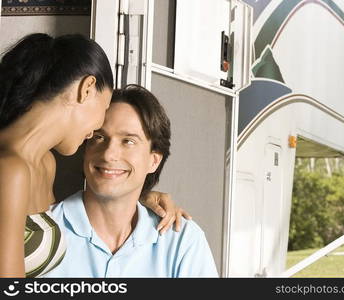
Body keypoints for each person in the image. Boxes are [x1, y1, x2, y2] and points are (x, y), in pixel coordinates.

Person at [0, 33, 188, 278]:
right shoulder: (10, 169)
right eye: (104, 106)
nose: (94, 133)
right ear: (86, 89)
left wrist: (138, 199)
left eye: (128, 141)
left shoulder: (44, 163)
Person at [43, 85, 218, 277]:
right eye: (100, 137)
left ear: (154, 160)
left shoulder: (182, 242)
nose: (109, 154)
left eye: (128, 141)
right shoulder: (42, 233)